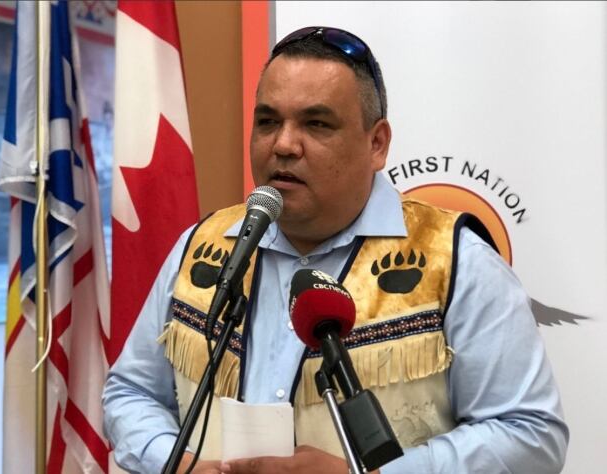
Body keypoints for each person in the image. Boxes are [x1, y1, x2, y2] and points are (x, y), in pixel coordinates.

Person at [102, 26, 568, 473]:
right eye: (267, 121)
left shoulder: (455, 260)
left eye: (316, 123)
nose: (283, 144)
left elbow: (531, 434)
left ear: (377, 144)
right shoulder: (201, 247)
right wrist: (175, 461)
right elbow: (130, 392)